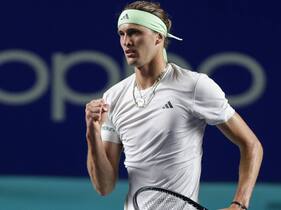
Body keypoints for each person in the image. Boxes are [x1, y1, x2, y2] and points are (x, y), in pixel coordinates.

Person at [85, 1, 263, 210]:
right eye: (121, 34)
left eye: (134, 32)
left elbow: (251, 145)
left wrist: (239, 204)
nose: (126, 42)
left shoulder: (195, 86)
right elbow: (104, 187)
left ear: (159, 37)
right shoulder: (113, 97)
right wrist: (92, 132)